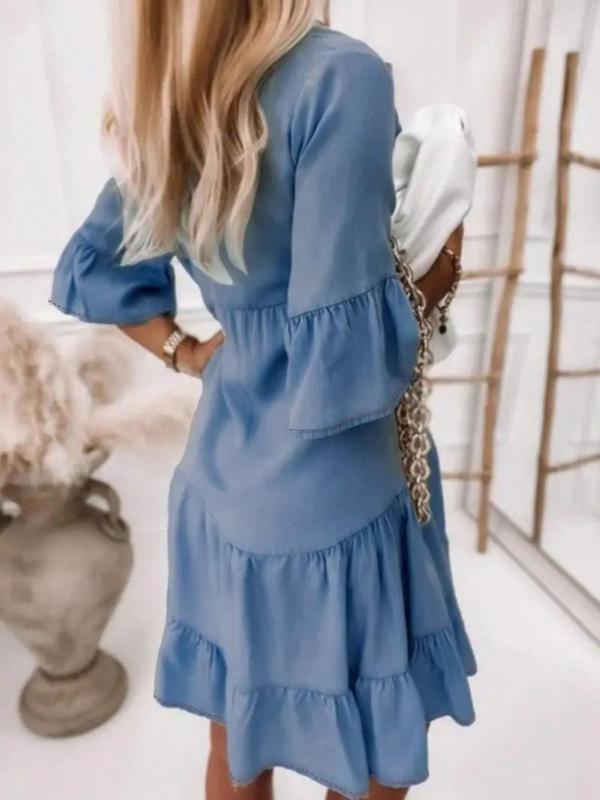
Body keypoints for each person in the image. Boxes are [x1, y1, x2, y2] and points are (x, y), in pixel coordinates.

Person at [50, 2, 476, 798]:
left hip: (222, 490)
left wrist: (186, 352)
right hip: (339, 500)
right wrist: (442, 269)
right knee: (375, 766)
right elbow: (346, 359)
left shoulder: (169, 95)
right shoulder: (338, 77)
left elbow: (93, 266)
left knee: (238, 748)